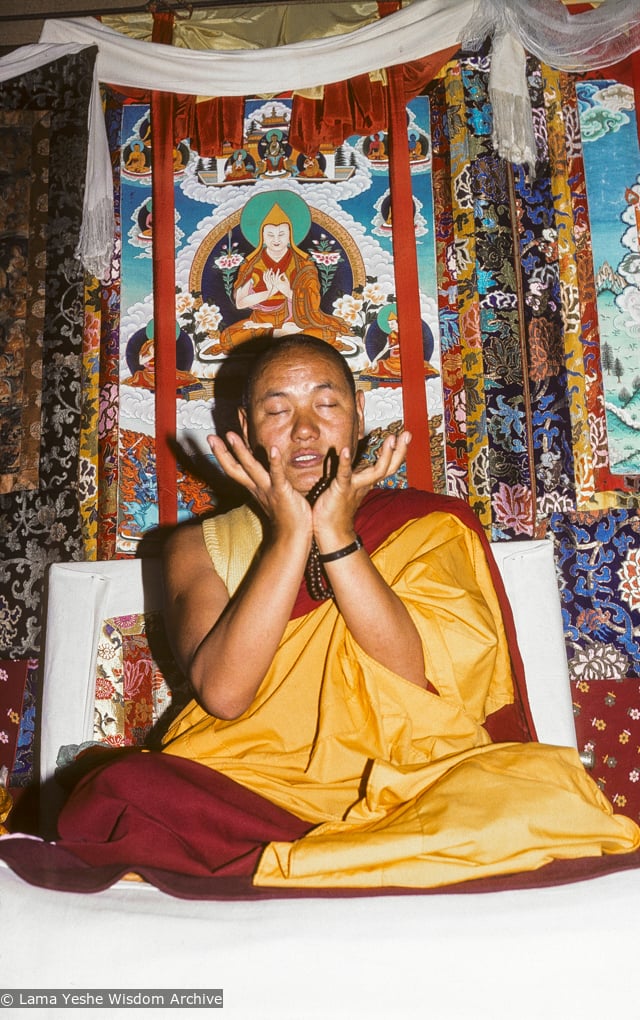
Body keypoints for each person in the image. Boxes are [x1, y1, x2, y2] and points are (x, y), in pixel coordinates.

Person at [1, 334, 638, 895]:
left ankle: (322, 857)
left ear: (359, 417)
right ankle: (353, 857)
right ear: (247, 428)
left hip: (412, 781)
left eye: (325, 405)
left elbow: (415, 675)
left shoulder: (429, 525)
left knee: (532, 793)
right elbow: (224, 695)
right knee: (121, 794)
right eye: (278, 411)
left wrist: (336, 536)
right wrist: (287, 535)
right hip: (255, 791)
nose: (304, 430)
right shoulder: (196, 546)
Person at [216, 202, 352, 352]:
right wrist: (268, 293)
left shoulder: (303, 265)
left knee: (327, 334)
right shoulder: (252, 265)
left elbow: (312, 302)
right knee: (228, 338)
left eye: (281, 234)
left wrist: (287, 291)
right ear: (262, 237)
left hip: (296, 322)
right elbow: (240, 303)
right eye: (270, 234)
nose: (276, 239)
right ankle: (277, 333)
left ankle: (275, 335)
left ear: (290, 236)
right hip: (261, 321)